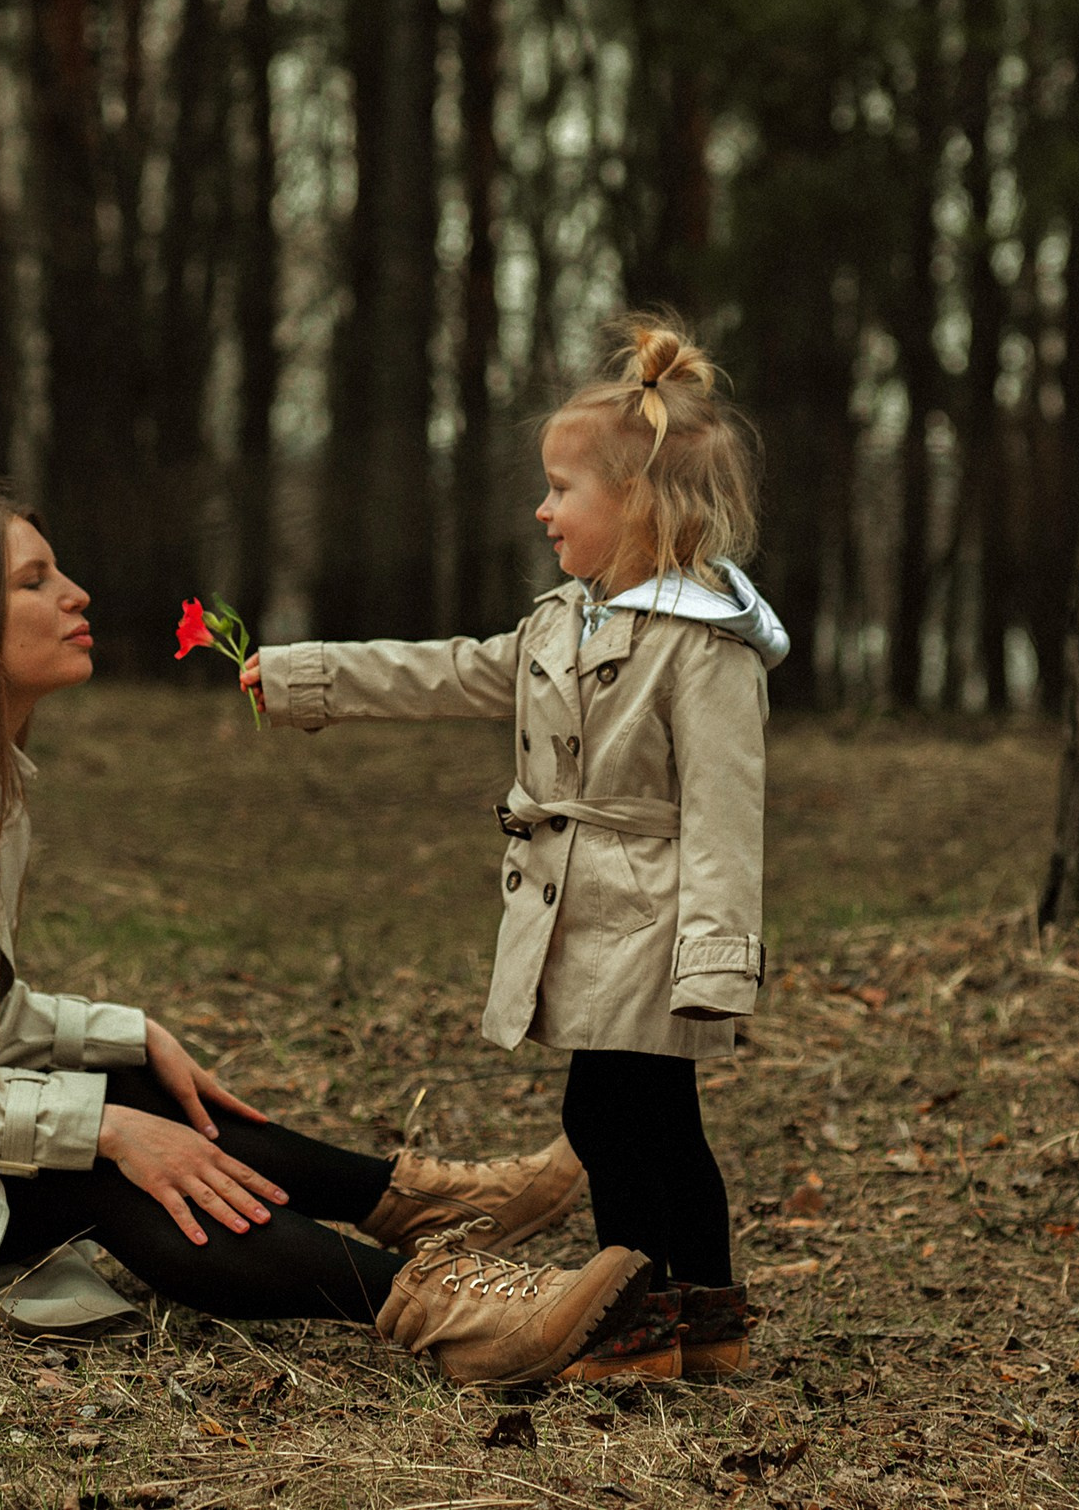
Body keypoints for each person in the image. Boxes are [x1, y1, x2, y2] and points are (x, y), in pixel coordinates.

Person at [0, 483, 652, 1387]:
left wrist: (119, 1033)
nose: (75, 593)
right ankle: (441, 1311)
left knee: (117, 1095)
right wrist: (103, 1129)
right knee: (83, 1158)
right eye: (33, 581)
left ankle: (411, 1205)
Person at [243, 315, 785, 1381]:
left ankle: (631, 1318)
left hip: (653, 919)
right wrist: (306, 676)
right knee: (654, 1117)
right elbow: (444, 670)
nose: (542, 509)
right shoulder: (561, 626)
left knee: (615, 1115)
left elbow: (728, 814)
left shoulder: (704, 648)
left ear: (636, 504)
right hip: (587, 912)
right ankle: (699, 1317)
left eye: (561, 489)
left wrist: (717, 954)